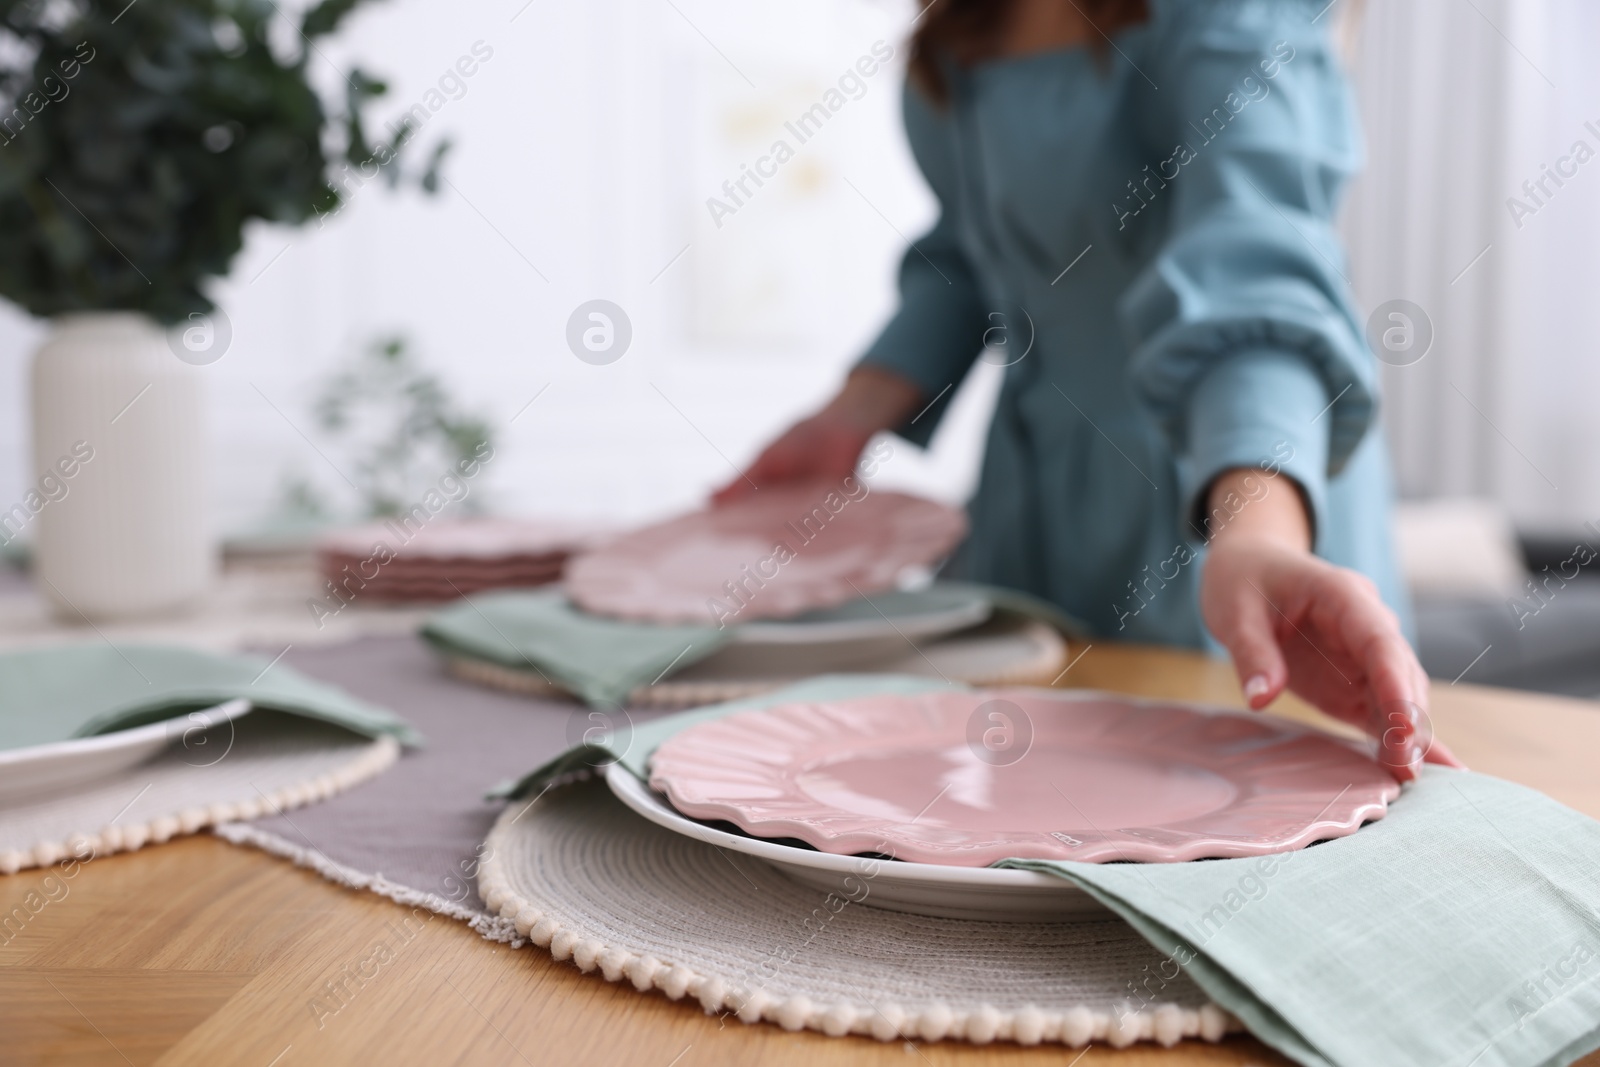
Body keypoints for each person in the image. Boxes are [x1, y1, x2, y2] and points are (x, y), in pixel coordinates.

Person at [716, 0, 1459, 778]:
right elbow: (974, 257)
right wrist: (848, 419)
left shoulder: (1234, 16)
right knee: (1002, 813)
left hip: (1219, 497)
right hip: (1031, 503)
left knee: (1219, 812)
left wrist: (1259, 534)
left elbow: (1256, 270)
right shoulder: (964, 31)